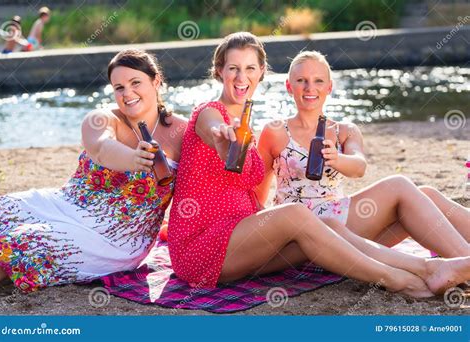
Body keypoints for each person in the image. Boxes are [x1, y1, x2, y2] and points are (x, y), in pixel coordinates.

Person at [167, 31, 462, 299]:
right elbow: (213, 130)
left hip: (239, 240)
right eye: (233, 68)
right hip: (202, 248)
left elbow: (255, 196)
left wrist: (270, 222)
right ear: (220, 71)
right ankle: (402, 279)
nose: (240, 76)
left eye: (249, 68)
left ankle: (429, 268)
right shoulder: (210, 113)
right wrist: (223, 143)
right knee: (297, 213)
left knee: (331, 225)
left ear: (260, 74)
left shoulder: (249, 127)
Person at [256, 50, 470, 293]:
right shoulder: (274, 131)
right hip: (307, 235)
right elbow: (258, 194)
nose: (309, 88)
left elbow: (359, 166)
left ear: (329, 87)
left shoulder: (344, 130)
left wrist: (337, 159)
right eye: (301, 81)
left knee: (426, 194)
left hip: (347, 232)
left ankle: (462, 262)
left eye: (318, 81)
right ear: (288, 86)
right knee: (399, 186)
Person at [0, 49, 187, 292]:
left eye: (135, 82)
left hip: (116, 238)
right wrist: (134, 159)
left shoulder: (182, 133)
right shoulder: (101, 119)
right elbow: (101, 148)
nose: (127, 93)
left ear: (156, 81)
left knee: (20, 242)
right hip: (63, 204)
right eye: (119, 87)